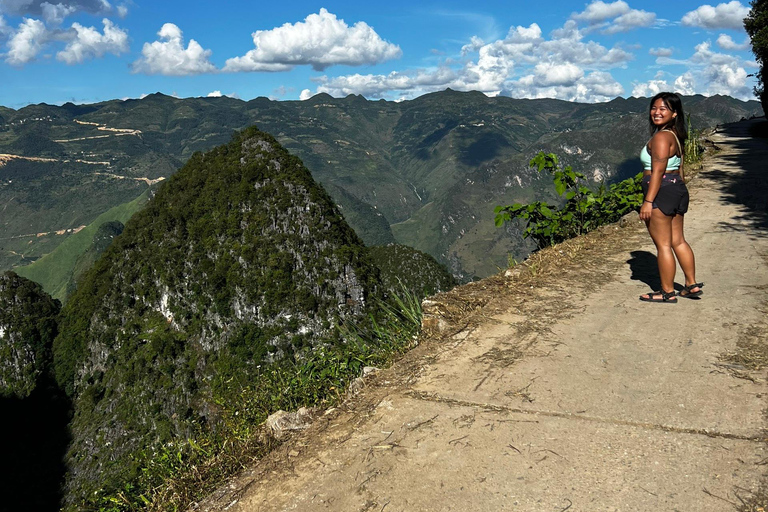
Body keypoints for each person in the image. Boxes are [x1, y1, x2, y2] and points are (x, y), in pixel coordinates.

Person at [638, 92, 703, 303]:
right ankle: (691, 284)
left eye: (663, 109)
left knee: (663, 245)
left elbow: (657, 171)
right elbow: (680, 168)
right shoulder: (676, 135)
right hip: (677, 189)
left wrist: (648, 201)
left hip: (661, 191)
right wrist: (681, 193)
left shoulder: (661, 137)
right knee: (678, 240)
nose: (657, 112)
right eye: (654, 108)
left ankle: (666, 292)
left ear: (674, 113)